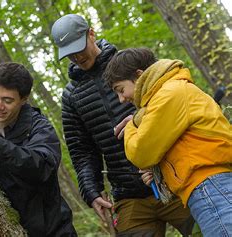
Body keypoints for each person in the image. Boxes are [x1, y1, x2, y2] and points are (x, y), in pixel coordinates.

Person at [51, 14, 194, 236]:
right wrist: (92, 191)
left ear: (91, 34)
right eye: (69, 54)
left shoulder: (131, 65)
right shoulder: (72, 96)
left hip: (174, 177)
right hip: (129, 196)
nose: (76, 57)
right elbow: (82, 151)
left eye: (78, 48)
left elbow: (171, 104)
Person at [103, 47, 232, 236]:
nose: (121, 99)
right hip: (208, 189)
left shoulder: (170, 93)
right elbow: (187, 148)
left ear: (139, 76)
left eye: (121, 90)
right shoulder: (169, 93)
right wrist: (160, 173)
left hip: (210, 189)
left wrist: (131, 125)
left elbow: (141, 152)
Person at [0, 62, 77, 236]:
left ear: (23, 99)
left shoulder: (39, 126)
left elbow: (42, 167)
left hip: (54, 230)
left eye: (7, 100)